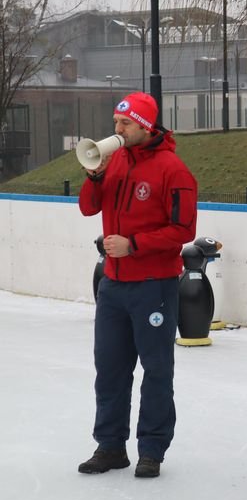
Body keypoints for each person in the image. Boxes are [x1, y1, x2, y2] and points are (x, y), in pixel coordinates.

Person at [77, 92, 198, 479]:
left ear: (144, 126)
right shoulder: (115, 161)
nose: (117, 129)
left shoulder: (173, 171)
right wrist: (94, 174)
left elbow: (184, 230)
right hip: (113, 285)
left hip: (153, 285)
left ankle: (152, 449)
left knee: (156, 369)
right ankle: (110, 445)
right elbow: (87, 207)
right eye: (116, 121)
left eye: (124, 123)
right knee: (110, 369)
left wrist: (135, 245)